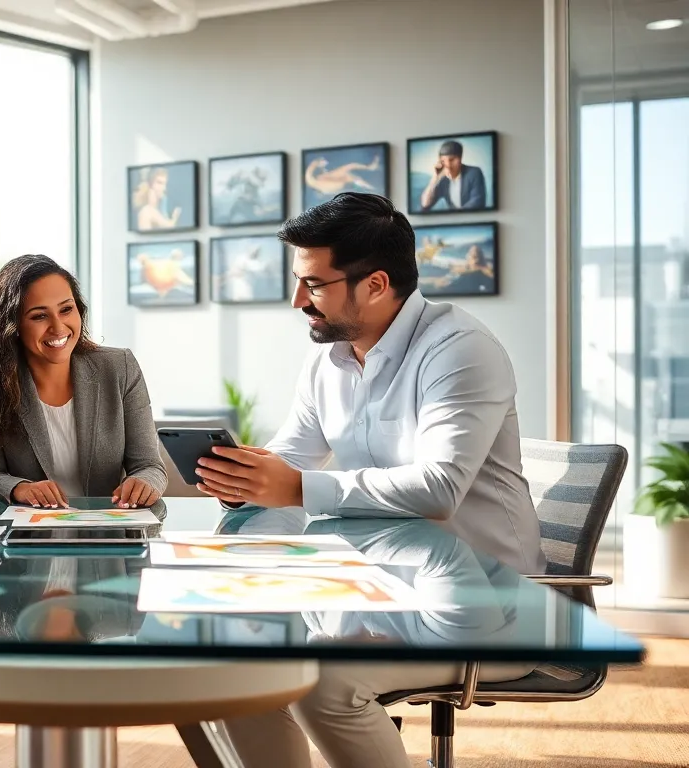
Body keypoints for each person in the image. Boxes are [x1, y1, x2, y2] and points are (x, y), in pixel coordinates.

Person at [194, 192, 542, 768]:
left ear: (376, 284)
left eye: (315, 285)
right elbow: (292, 455)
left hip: (481, 604)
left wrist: (295, 488)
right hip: (371, 588)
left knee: (320, 684)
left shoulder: (461, 351)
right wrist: (243, 484)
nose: (297, 300)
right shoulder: (328, 359)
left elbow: (438, 488)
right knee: (235, 667)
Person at [0, 254, 168, 508]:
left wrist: (143, 483)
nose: (58, 328)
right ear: (12, 325)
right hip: (28, 537)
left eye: (66, 309)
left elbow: (150, 466)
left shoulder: (119, 368)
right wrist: (20, 488)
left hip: (107, 531)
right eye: (39, 316)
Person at [418, 139, 487, 211]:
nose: (448, 165)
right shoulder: (443, 179)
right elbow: (425, 204)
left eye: (451, 160)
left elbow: (477, 202)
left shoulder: (474, 172)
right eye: (443, 161)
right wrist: (435, 178)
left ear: (460, 158)